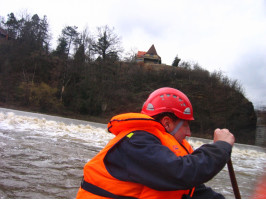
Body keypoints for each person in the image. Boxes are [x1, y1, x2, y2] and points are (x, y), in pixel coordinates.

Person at [76, 87, 235, 199]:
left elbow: (194, 191)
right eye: (186, 125)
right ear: (167, 123)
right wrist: (220, 147)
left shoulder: (166, 148)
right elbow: (179, 173)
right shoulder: (136, 141)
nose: (189, 133)